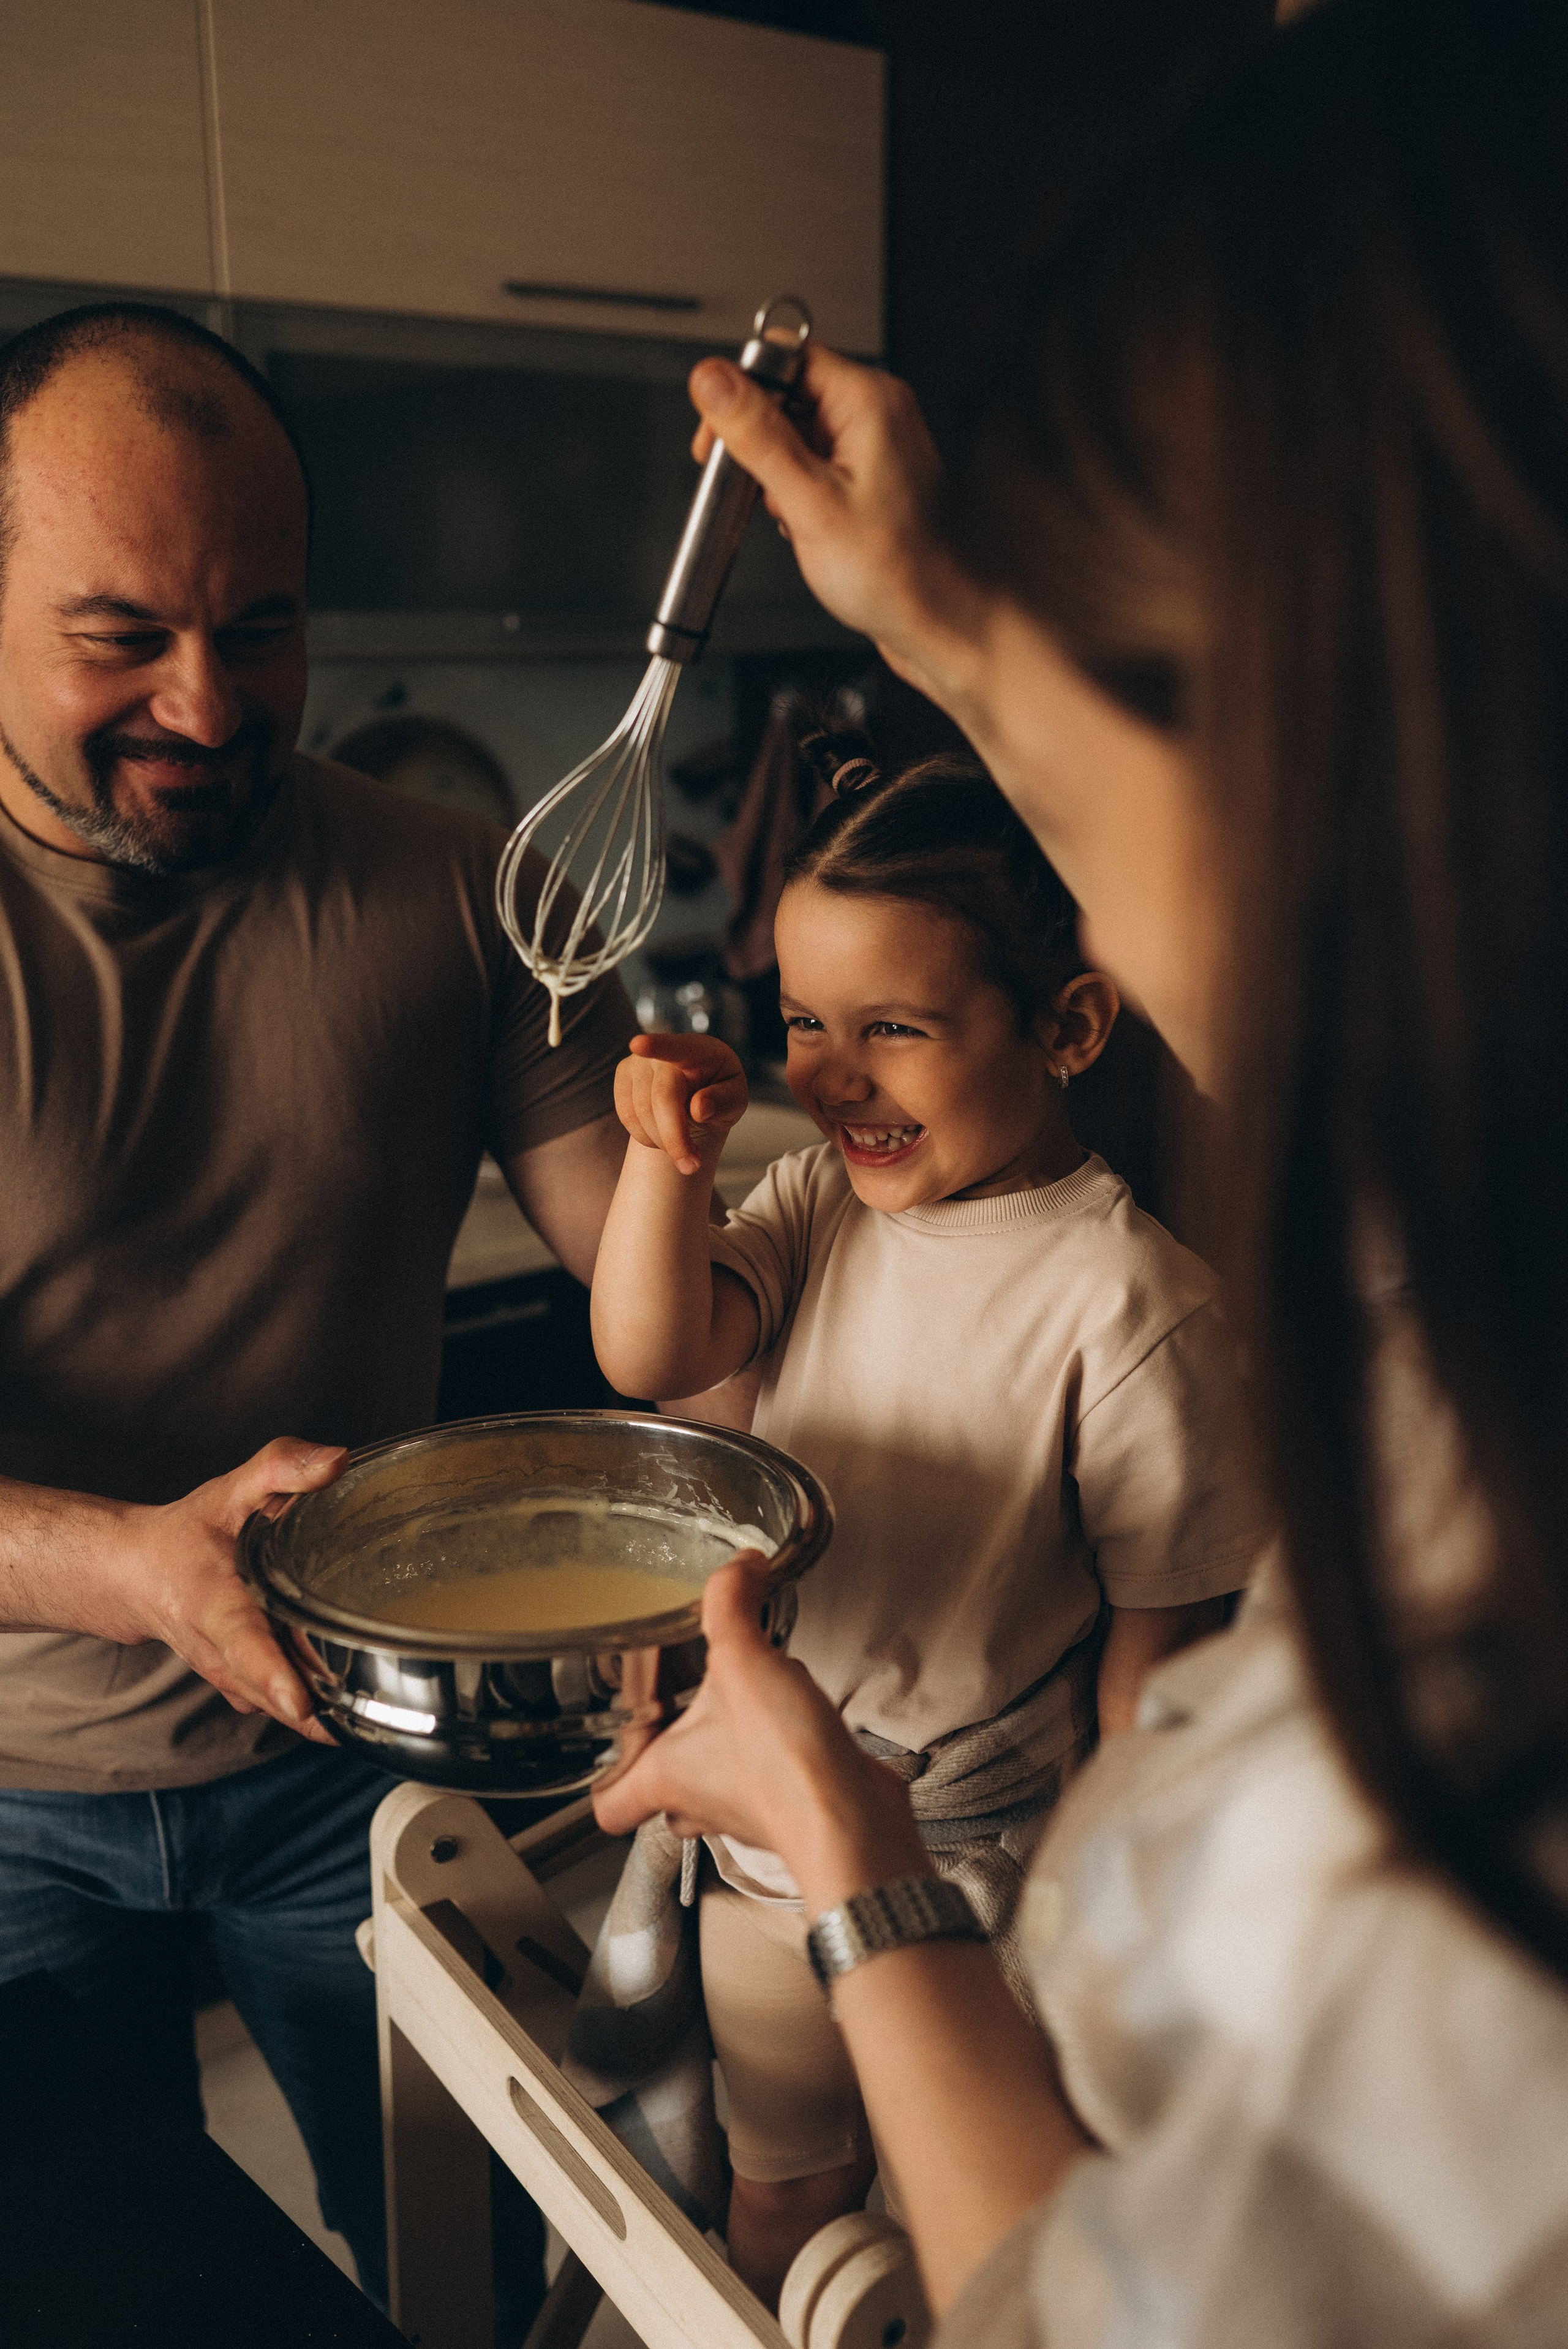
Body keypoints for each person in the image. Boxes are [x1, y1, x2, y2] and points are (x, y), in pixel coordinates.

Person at [594, 0, 1568, 2339]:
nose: (1099, 883)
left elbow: (1085, 2308)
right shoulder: (1462, 1279)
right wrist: (948, 620)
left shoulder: (1158, 1315)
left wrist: (856, 1853)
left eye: (1100, 744)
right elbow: (667, 1341)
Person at [0, 302, 634, 2318]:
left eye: (259, 625)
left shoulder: (471, 888)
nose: (209, 701)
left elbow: (655, 1320)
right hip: (7, 1802)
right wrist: (127, 1564)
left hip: (362, 1779)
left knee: (470, 2278)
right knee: (113, 2288)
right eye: (124, 635)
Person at [591, 738, 1265, 2301]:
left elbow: (1148, 1675)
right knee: (779, 2201)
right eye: (804, 1024)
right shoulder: (821, 1200)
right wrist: (656, 1164)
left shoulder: (1130, 1305)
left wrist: (1104, 1939)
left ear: (1068, 1026)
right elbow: (652, 1349)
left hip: (978, 1882)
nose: (829, 1076)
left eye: (892, 1028)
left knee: (943, 2251)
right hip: (767, 1851)